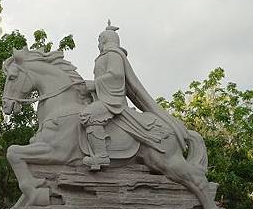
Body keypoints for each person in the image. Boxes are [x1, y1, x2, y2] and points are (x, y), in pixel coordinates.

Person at [80, 21, 187, 170]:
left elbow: (116, 76)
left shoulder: (113, 54)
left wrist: (94, 84)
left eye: (99, 40)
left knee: (88, 115)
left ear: (105, 40)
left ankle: (101, 156)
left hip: (112, 100)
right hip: (103, 96)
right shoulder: (104, 56)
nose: (98, 44)